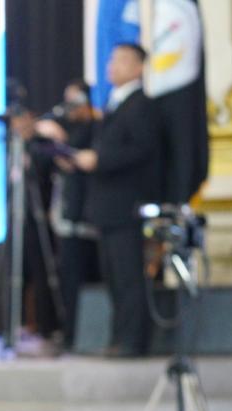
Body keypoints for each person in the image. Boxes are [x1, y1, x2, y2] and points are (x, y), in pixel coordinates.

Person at [74, 43, 163, 356]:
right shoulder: (113, 103)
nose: (113, 66)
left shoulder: (142, 105)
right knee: (112, 275)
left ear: (139, 67)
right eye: (112, 59)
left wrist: (100, 160)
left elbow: (142, 150)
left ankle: (133, 341)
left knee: (128, 276)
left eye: (122, 60)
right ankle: (118, 338)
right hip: (107, 205)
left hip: (127, 203)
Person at [37, 80, 100, 346]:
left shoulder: (97, 127)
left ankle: (86, 335)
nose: (70, 108)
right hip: (68, 216)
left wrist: (62, 141)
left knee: (90, 279)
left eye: (75, 101)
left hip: (89, 217)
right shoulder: (68, 127)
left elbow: (85, 160)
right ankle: (70, 333)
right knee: (69, 278)